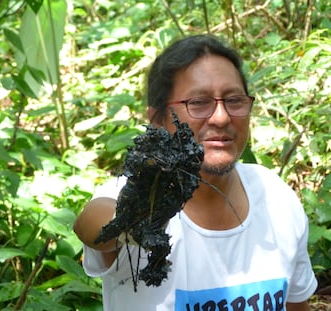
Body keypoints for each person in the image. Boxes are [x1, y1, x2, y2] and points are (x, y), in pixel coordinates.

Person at [73, 34, 318, 311]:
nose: (222, 117)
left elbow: (296, 304)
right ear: (157, 119)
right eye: (199, 103)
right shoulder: (139, 192)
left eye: (234, 100)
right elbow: (91, 222)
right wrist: (133, 221)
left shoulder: (276, 196)